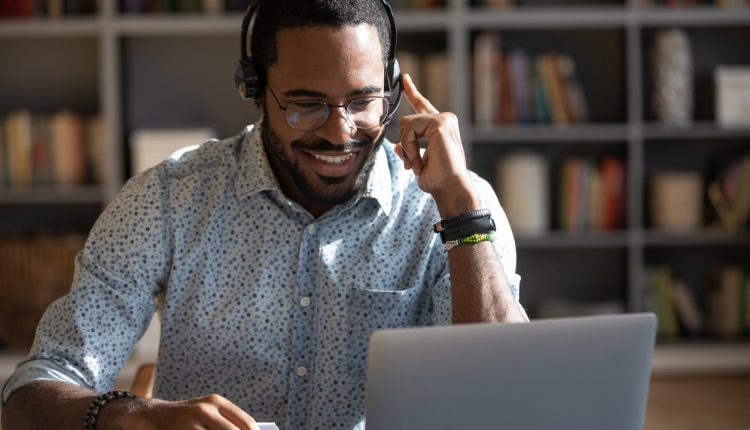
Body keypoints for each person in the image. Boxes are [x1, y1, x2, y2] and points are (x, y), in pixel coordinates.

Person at [1, 0, 527, 429]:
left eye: (363, 101)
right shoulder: (168, 200)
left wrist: (460, 209)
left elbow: (510, 396)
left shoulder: (456, 206)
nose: (339, 133)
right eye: (307, 104)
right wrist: (136, 417)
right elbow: (29, 395)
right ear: (253, 90)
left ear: (391, 89)